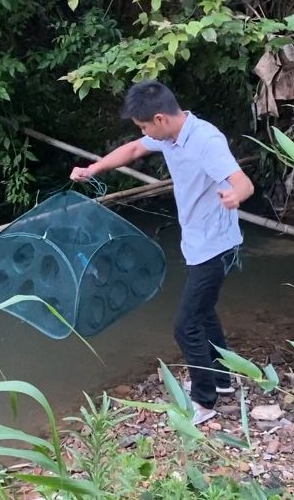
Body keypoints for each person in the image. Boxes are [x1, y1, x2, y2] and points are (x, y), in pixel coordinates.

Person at [70, 80, 254, 424]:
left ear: (160, 118)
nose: (144, 134)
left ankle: (204, 401)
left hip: (216, 245)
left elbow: (243, 181)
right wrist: (92, 169)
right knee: (204, 312)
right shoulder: (167, 135)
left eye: (143, 127)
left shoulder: (206, 141)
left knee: (185, 326)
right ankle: (223, 379)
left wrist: (236, 196)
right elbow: (133, 151)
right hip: (198, 243)